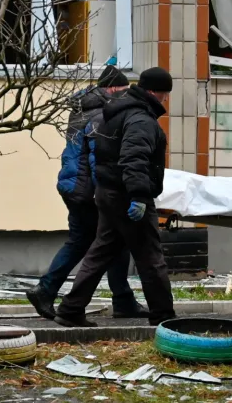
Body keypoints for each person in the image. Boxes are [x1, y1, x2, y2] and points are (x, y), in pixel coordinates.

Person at [55, 67, 177, 327]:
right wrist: (140, 196)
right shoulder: (140, 119)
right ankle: (163, 315)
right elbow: (134, 159)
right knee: (151, 258)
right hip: (127, 197)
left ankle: (70, 309)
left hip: (108, 193)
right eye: (165, 94)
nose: (165, 100)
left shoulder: (115, 113)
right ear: (154, 92)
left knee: (100, 253)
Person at [27, 66, 149, 321]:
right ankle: (50, 291)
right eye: (124, 90)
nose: (126, 96)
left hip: (73, 186)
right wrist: (104, 192)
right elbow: (98, 158)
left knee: (98, 241)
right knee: (105, 242)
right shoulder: (99, 115)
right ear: (114, 88)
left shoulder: (83, 108)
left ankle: (121, 299)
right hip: (88, 191)